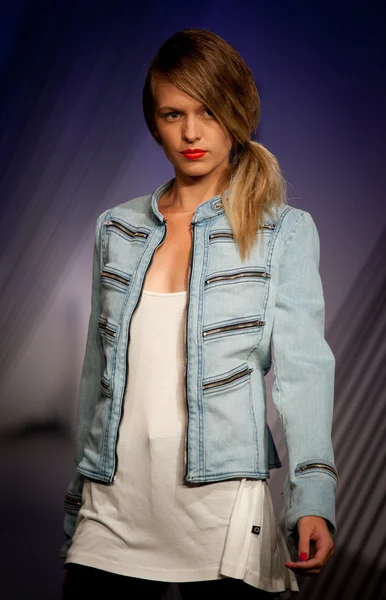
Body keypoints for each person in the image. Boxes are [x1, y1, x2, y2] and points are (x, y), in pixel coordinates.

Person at [59, 28, 338, 599]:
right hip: (112, 507)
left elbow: (303, 373)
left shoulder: (282, 232)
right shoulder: (117, 229)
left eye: (208, 111)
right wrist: (76, 501)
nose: (190, 132)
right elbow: (97, 375)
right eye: (172, 113)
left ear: (236, 113)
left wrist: (313, 501)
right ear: (154, 122)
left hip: (221, 512)